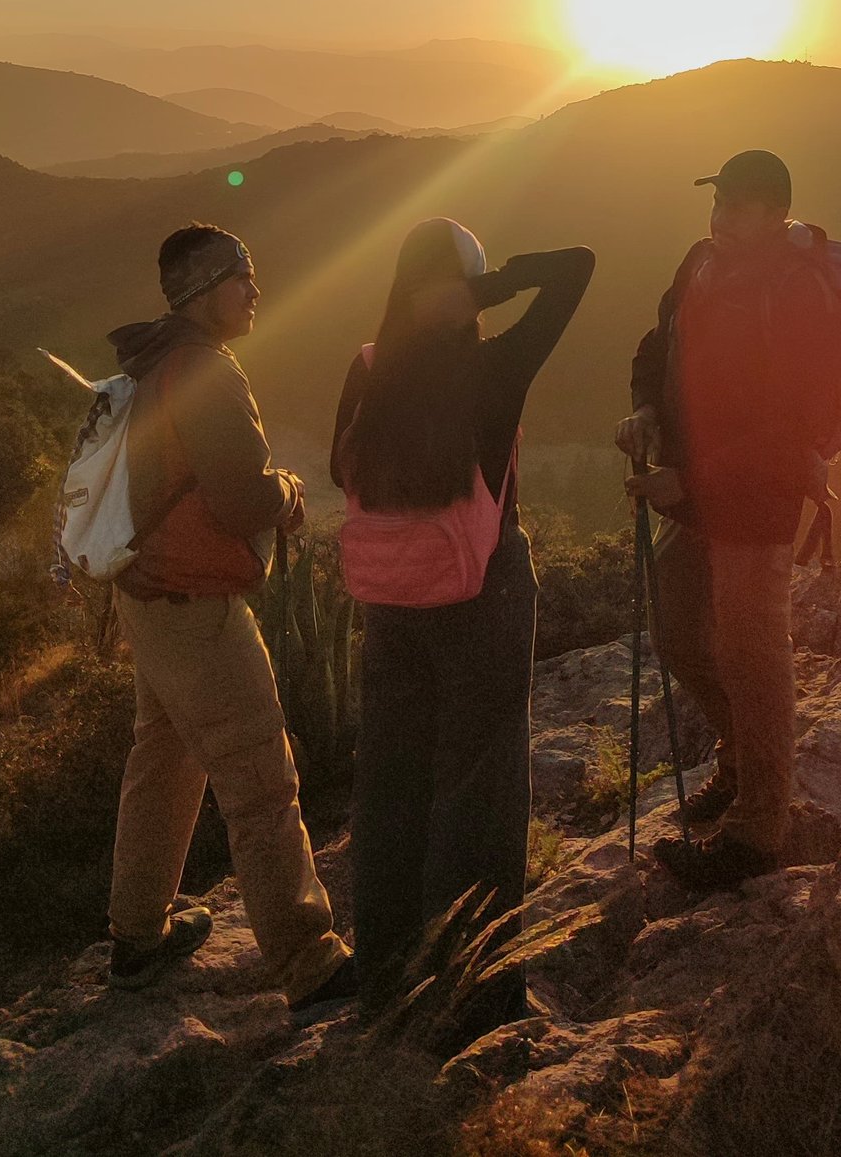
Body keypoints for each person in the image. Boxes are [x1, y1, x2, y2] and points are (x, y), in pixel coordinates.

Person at [332, 220, 594, 1027]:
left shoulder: (369, 367)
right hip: (482, 592)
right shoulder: (492, 365)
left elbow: (347, 469)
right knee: (476, 789)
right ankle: (474, 994)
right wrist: (487, 285)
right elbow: (576, 263)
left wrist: (431, 296)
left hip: (390, 599)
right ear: (467, 289)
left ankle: (384, 970)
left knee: (391, 780)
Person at [617, 150, 841, 894]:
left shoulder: (795, 292)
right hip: (695, 492)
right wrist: (644, 409)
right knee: (677, 629)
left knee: (752, 655)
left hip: (758, 501)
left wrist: (686, 477)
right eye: (718, 202)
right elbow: (655, 344)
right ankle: (737, 761)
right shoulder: (701, 264)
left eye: (737, 205)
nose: (720, 216)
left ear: (776, 213)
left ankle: (758, 830)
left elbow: (784, 433)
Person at [105, 222, 353, 1013]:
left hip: (145, 597)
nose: (255, 291)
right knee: (262, 782)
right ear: (207, 292)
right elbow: (241, 495)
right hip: (197, 606)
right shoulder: (206, 372)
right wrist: (286, 490)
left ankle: (137, 936)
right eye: (243, 279)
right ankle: (309, 959)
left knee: (165, 758)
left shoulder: (149, 360)